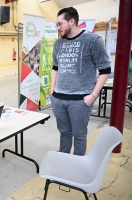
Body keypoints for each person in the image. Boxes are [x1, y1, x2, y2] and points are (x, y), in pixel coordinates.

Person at [50, 7, 111, 156]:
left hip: (80, 100)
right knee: (64, 133)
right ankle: (64, 160)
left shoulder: (92, 40)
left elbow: (105, 70)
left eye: (60, 24)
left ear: (72, 21)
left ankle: (77, 165)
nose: (58, 28)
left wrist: (93, 96)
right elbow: (55, 67)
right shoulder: (58, 43)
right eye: (56, 25)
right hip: (59, 98)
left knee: (79, 135)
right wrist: (52, 91)